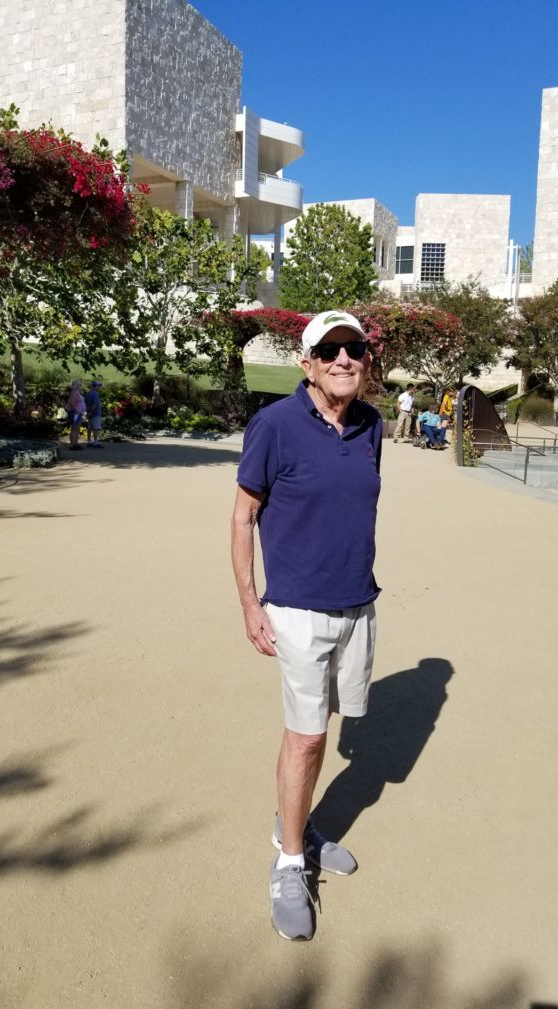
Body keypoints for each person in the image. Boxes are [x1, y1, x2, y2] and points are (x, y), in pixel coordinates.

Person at [231, 310, 382, 942]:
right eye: (330, 351)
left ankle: (297, 823)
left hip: (358, 606)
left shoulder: (372, 426)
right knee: (307, 738)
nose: (345, 360)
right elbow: (243, 518)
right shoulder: (274, 426)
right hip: (296, 609)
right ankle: (290, 859)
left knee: (330, 728)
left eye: (356, 349)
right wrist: (250, 603)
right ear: (308, 362)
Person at [66, 379, 86, 451]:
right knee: (74, 428)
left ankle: (75, 443)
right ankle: (72, 445)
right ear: (76, 385)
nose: (81, 385)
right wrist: (76, 411)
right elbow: (71, 402)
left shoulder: (78, 392)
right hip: (74, 412)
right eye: (80, 384)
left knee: (76, 428)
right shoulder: (74, 391)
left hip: (78, 412)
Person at [84, 380, 103, 448]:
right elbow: (95, 405)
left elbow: (85, 404)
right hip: (95, 414)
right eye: (99, 386)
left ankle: (89, 441)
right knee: (95, 428)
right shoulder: (95, 394)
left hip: (89, 414)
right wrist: (91, 412)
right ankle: (95, 442)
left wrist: (88, 412)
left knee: (89, 428)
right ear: (95, 386)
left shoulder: (88, 394)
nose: (100, 387)